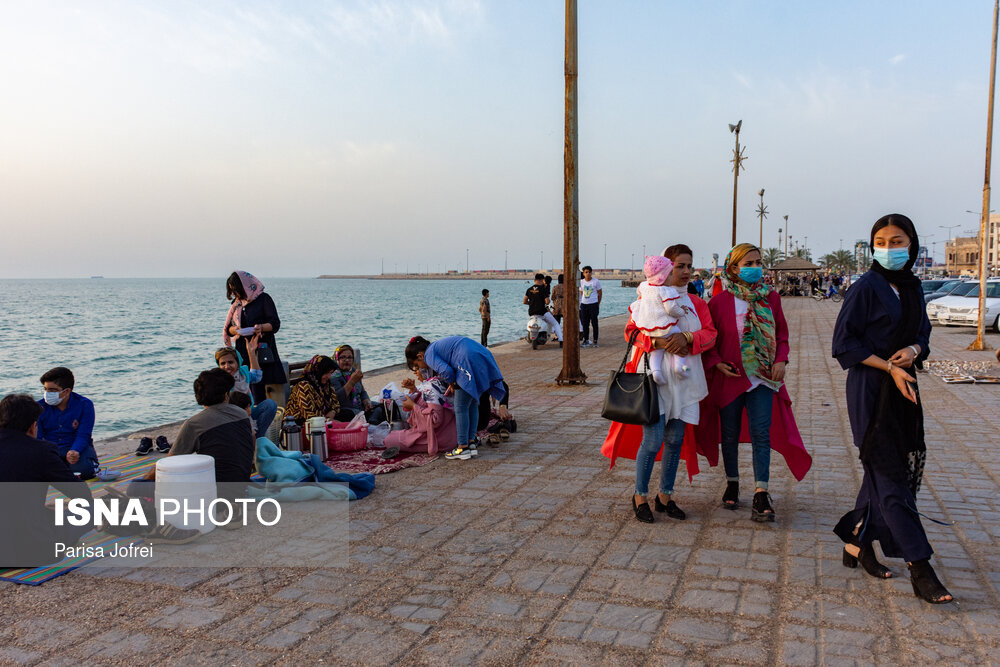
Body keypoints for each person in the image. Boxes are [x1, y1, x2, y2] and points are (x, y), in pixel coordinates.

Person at [831, 214, 952, 604]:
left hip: (904, 390)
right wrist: (888, 367)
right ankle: (921, 566)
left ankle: (857, 542)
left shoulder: (914, 287)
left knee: (881, 473)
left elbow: (923, 334)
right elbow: (843, 345)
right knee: (891, 479)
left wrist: (914, 351)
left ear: (912, 244)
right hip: (871, 390)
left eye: (896, 240)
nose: (888, 247)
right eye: (880, 241)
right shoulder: (865, 288)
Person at [601, 244, 716, 523]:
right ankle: (640, 495)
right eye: (680, 266)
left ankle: (665, 497)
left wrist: (687, 339)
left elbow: (711, 335)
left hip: (685, 380)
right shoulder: (647, 298)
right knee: (652, 440)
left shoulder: (698, 304)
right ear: (666, 268)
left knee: (675, 439)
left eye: (690, 266)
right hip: (654, 380)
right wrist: (656, 341)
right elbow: (631, 332)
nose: (687, 271)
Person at [700, 243, 811, 522]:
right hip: (732, 378)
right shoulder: (719, 302)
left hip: (762, 378)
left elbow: (782, 334)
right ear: (734, 268)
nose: (755, 268)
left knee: (762, 432)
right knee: (730, 434)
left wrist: (781, 360)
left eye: (758, 262)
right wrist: (716, 363)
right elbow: (709, 339)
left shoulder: (770, 298)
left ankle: (762, 490)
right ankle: (733, 482)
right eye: (748, 263)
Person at [0, 394, 93, 566]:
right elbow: (81, 495)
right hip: (31, 553)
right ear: (32, 426)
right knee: (90, 511)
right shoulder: (41, 451)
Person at [142, 369, 255, 485]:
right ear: (226, 395)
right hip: (243, 481)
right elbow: (251, 440)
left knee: (141, 486)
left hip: (216, 489)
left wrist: (142, 482)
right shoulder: (241, 413)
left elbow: (168, 463)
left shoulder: (194, 424)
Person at [404, 336, 506, 461]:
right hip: (481, 355)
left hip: (466, 361)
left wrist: (452, 384)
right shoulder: (437, 346)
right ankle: (471, 443)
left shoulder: (429, 355)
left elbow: (447, 371)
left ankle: (462, 447)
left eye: (417, 365)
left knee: (461, 408)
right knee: (473, 403)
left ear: (420, 356)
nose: (421, 368)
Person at [223, 271, 286, 407]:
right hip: (242, 348)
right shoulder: (237, 304)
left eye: (236, 289)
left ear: (245, 286)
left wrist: (260, 327)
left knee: (260, 386)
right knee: (245, 385)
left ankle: (265, 416)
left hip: (261, 348)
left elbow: (275, 324)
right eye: (232, 290)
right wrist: (235, 330)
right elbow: (229, 328)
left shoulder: (263, 299)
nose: (235, 293)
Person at [628, 255, 688, 384]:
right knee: (677, 338)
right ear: (662, 277)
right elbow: (671, 309)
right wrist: (682, 311)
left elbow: (639, 292)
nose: (673, 276)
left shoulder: (644, 286)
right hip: (664, 325)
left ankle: (656, 372)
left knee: (656, 351)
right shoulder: (667, 291)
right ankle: (679, 367)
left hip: (647, 326)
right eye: (671, 274)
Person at [36, 367, 99, 479]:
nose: (47, 393)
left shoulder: (84, 405)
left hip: (75, 448)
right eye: (45, 389)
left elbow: (83, 434)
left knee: (85, 471)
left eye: (52, 390)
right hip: (50, 450)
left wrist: (75, 451)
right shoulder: (38, 407)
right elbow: (37, 437)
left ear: (67, 391)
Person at [215, 339, 278, 437]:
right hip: (232, 418)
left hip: (249, 413)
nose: (227, 366)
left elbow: (257, 376)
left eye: (230, 362)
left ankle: (258, 438)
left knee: (270, 404)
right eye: (223, 363)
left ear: (238, 363)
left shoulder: (243, 374)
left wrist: (251, 352)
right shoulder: (219, 380)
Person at [284, 355, 348, 423]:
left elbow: (336, 404)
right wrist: (328, 420)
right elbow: (309, 415)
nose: (329, 376)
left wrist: (332, 412)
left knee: (348, 414)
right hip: (301, 423)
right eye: (326, 373)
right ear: (318, 370)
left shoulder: (326, 383)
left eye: (331, 373)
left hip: (323, 417)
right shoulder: (304, 386)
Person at [330, 345, 374, 420]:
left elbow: (362, 392)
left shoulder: (354, 372)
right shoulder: (333, 376)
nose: (347, 360)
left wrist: (367, 402)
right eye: (343, 357)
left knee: (382, 407)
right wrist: (352, 381)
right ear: (336, 359)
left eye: (349, 357)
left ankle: (371, 421)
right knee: (349, 415)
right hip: (345, 410)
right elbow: (338, 399)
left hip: (360, 408)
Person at [524, 273, 563, 345]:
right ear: (542, 280)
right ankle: (561, 340)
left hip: (532, 312)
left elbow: (524, 301)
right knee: (555, 323)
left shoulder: (529, 289)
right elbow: (547, 302)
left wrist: (531, 303)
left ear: (534, 280)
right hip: (542, 312)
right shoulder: (543, 289)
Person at [579, 265, 603, 347]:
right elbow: (582, 292)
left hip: (593, 304)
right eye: (586, 272)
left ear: (591, 273)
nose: (588, 274)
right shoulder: (581, 282)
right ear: (583, 273)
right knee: (585, 323)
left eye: (589, 272)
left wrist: (597, 304)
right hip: (584, 305)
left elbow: (600, 293)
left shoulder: (596, 281)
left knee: (594, 323)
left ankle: (595, 340)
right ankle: (586, 339)